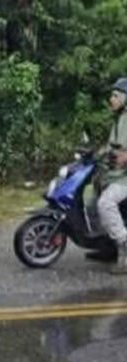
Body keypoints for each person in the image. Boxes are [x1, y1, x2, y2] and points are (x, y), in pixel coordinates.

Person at [98, 77, 127, 274]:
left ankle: (124, 244)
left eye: (116, 96)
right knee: (94, 197)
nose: (111, 99)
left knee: (105, 203)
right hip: (115, 174)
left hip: (125, 177)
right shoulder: (119, 119)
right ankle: (106, 246)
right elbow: (111, 146)